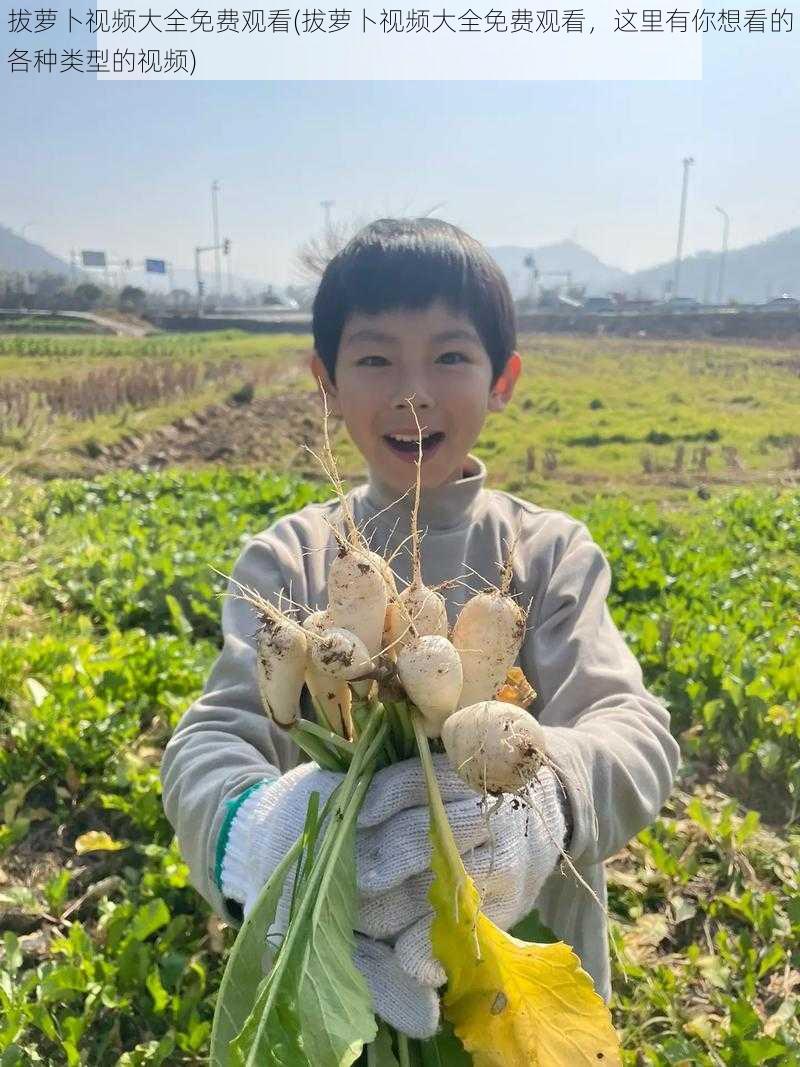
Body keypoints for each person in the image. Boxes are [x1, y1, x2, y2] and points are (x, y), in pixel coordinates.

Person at [160, 217, 679, 1040]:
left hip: (517, 1004)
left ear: (502, 378)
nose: (412, 390)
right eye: (373, 358)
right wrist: (258, 837)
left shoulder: (549, 556)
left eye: (448, 355)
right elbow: (207, 743)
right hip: (336, 980)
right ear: (324, 382)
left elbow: (638, 732)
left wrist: (544, 805)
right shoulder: (287, 560)